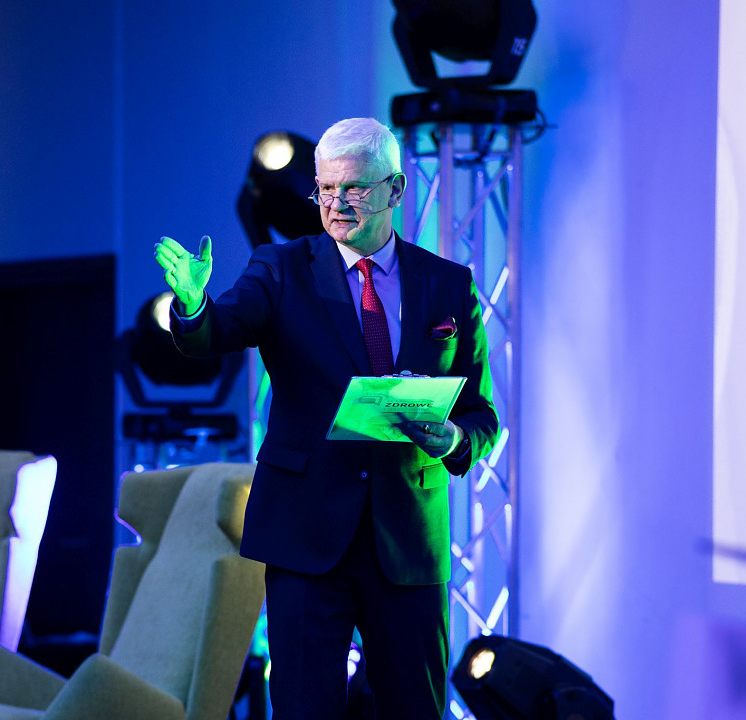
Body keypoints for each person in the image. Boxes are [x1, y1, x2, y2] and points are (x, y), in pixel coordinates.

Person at [153, 117, 498, 718]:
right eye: (326, 189)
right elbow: (220, 330)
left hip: (408, 540)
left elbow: (481, 413)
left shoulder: (449, 285)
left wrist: (451, 440)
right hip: (305, 535)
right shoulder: (280, 268)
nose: (336, 204)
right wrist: (192, 304)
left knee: (416, 710)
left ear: (395, 189)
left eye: (354, 189)